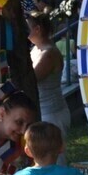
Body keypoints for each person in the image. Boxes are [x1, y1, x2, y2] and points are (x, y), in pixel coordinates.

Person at [27, 13, 71, 155]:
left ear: (37, 29)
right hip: (45, 112)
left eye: (27, 27)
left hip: (52, 114)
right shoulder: (36, 49)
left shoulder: (49, 53)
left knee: (55, 158)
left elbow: (31, 79)